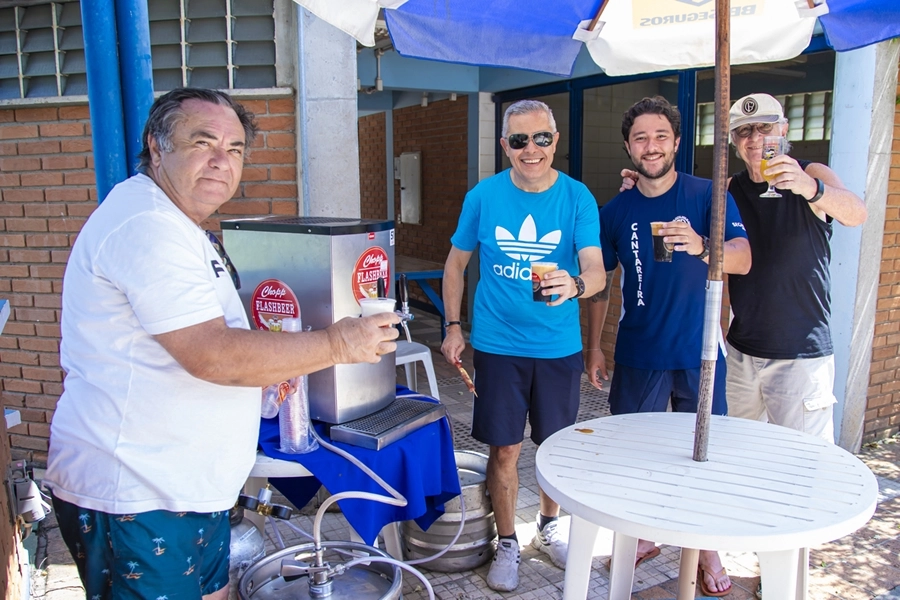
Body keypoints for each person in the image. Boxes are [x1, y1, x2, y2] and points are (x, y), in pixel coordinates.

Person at [43, 88, 400, 600]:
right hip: (139, 495)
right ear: (156, 145)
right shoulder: (147, 226)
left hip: (182, 487)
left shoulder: (175, 223)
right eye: (203, 142)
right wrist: (337, 343)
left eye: (234, 149)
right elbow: (212, 353)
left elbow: (211, 344)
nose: (220, 161)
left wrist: (264, 373)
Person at [586, 96, 751, 596]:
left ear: (678, 142)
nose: (651, 146)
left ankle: (706, 547)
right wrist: (594, 347)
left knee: (704, 455)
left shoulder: (707, 195)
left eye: (661, 136)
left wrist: (702, 245)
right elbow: (602, 283)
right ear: (628, 147)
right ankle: (638, 536)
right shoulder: (615, 209)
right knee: (631, 454)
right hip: (638, 352)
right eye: (640, 137)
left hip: (701, 351)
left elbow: (742, 257)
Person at [440, 99, 607, 592]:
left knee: (554, 449)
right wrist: (453, 326)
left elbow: (597, 272)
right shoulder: (484, 196)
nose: (530, 149)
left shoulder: (577, 198)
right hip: (497, 346)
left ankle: (549, 527)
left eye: (541, 138)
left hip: (558, 346)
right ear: (504, 146)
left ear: (555, 141)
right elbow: (454, 266)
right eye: (519, 140)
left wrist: (575, 285)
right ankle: (508, 541)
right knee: (505, 448)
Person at [724, 93, 867, 443]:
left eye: (764, 128)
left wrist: (809, 187)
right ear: (733, 141)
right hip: (743, 350)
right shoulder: (731, 189)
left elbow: (856, 213)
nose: (754, 139)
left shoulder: (811, 173)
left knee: (804, 462)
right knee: (741, 455)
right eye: (744, 131)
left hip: (800, 353)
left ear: (783, 130)